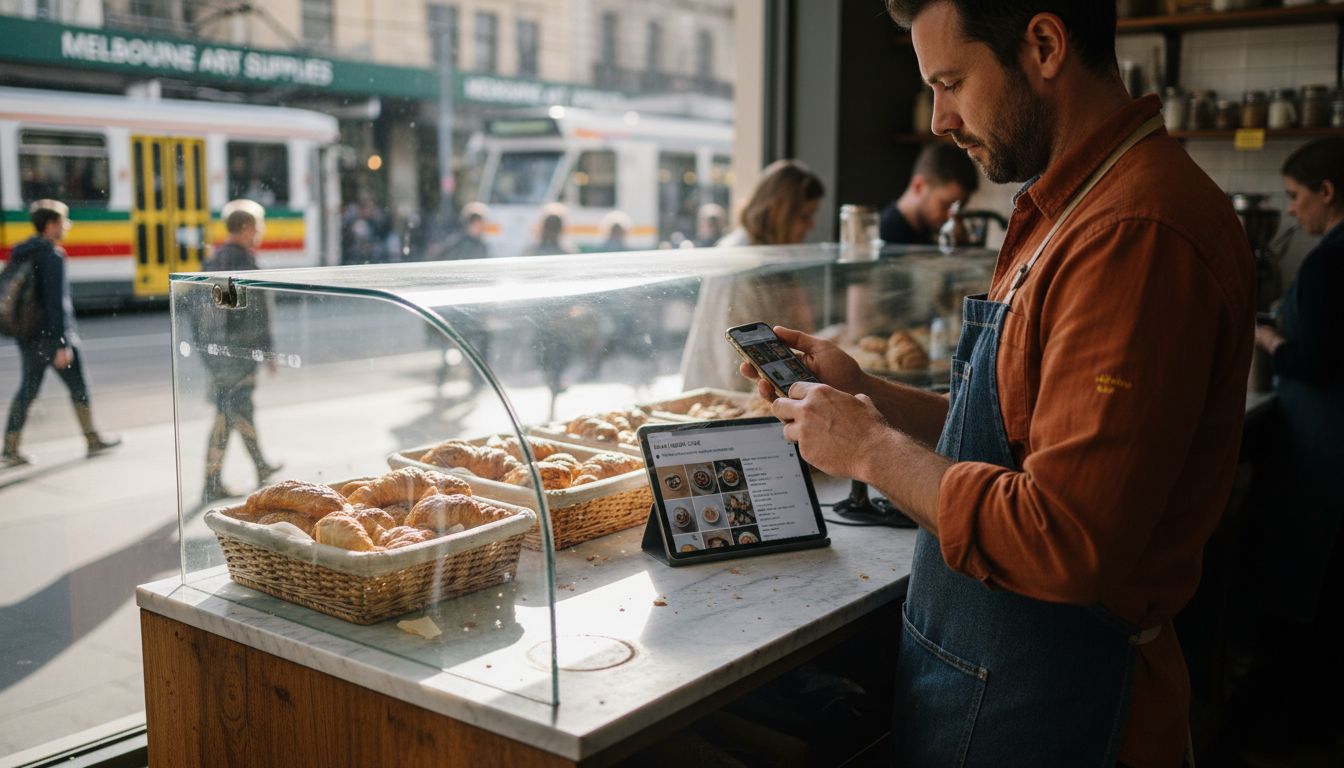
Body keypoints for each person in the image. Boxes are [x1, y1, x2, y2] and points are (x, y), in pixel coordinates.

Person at [744, 3, 1254, 766]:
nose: (941, 119)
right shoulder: (1073, 205)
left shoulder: (1132, 233)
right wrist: (866, 395)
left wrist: (872, 451)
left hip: (1062, 701)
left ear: (1045, 45)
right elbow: (1022, 433)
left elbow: (1065, 539)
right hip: (1001, 679)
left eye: (950, 81)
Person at [1236, 137, 1344, 757]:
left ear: (1327, 193)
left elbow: (1319, 358)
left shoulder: (1333, 262)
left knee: (1305, 588)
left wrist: (1269, 339)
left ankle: (1290, 728)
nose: (1294, 212)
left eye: (1296, 198)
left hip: (1324, 454)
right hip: (1322, 445)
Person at [680, 160, 825, 392]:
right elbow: (733, 359)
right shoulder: (741, 260)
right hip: (730, 400)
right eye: (804, 215)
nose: (811, 225)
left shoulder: (772, 254)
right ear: (779, 213)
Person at [3, 200, 120, 467]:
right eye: (63, 222)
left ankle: (10, 448)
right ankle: (92, 439)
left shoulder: (23, 251)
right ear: (51, 225)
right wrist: (61, 343)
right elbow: (57, 304)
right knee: (78, 387)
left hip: (28, 334)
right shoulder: (52, 255)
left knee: (27, 390)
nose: (66, 227)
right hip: (52, 336)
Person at [197, 199, 282, 502]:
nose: (260, 232)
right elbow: (254, 316)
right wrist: (266, 351)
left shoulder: (213, 261)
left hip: (218, 356)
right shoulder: (245, 263)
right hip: (237, 357)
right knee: (230, 412)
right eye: (258, 227)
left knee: (237, 410)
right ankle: (212, 482)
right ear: (245, 227)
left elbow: (206, 315)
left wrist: (209, 353)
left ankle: (259, 467)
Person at [879, 141, 980, 245]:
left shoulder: (928, 231)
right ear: (919, 186)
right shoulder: (882, 238)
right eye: (946, 205)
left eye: (958, 209)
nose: (951, 218)